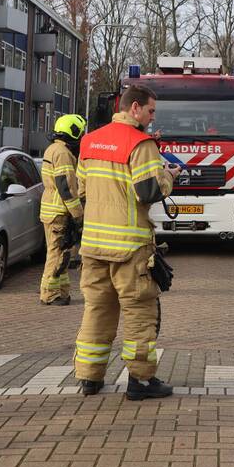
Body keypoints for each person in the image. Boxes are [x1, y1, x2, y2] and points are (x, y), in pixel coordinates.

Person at [73, 84, 181, 399]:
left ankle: (89, 378)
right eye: (150, 111)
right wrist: (168, 176)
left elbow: (82, 191)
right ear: (135, 108)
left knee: (97, 309)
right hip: (129, 249)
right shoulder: (141, 144)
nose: (152, 117)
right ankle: (141, 381)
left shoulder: (90, 141)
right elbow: (147, 192)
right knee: (139, 312)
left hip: (93, 246)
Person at [38, 114, 86, 306]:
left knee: (62, 253)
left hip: (52, 209)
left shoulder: (53, 149)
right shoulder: (64, 154)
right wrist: (78, 215)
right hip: (60, 211)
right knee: (57, 254)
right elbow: (66, 187)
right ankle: (49, 294)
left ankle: (62, 292)